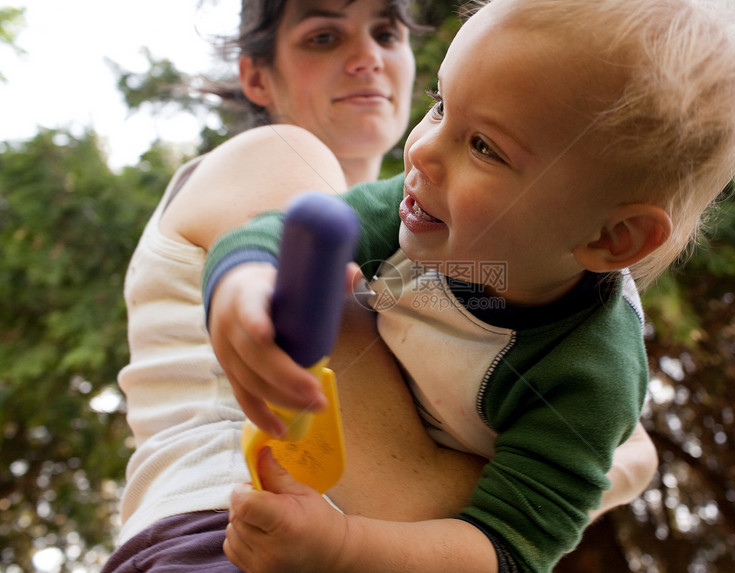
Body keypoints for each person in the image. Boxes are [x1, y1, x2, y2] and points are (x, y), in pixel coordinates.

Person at [202, 0, 735, 571]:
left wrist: (342, 550)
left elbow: (507, 547)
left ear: (614, 238)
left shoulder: (587, 379)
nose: (421, 153)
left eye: (484, 146)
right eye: (440, 105)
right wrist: (243, 283)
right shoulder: (412, 213)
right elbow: (276, 235)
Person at [106, 0, 659, 571]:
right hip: (221, 539)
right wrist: (618, 470)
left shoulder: (462, 248)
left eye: (386, 33)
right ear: (256, 76)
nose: (367, 56)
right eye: (324, 37)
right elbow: (405, 497)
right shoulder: (279, 158)